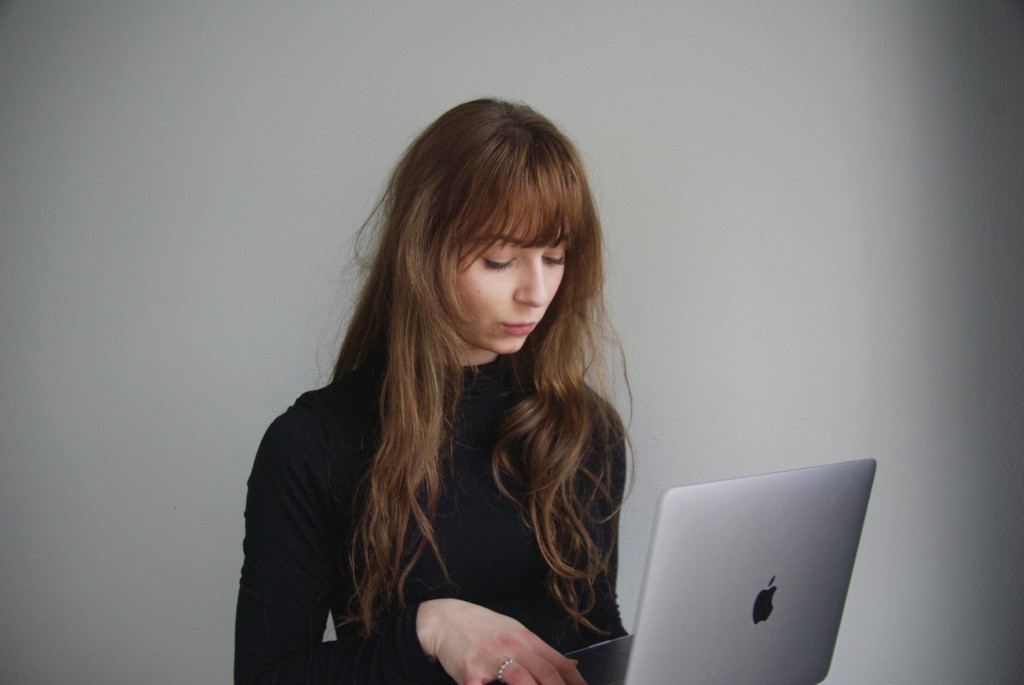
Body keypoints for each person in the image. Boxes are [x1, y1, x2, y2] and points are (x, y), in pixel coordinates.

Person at [234, 98, 629, 685]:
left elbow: (593, 629)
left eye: (556, 256)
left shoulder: (583, 429)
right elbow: (266, 676)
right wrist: (428, 630)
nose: (537, 292)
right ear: (423, 251)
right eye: (500, 260)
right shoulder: (313, 444)